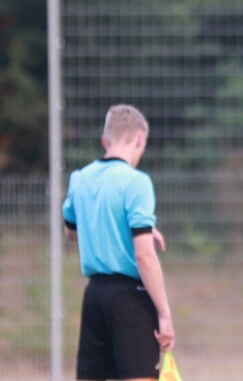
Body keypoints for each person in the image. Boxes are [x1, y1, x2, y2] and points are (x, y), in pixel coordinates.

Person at [62, 104, 175, 380]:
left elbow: (71, 231)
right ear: (139, 139)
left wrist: (136, 230)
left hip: (95, 297)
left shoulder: (80, 179)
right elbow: (144, 255)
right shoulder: (136, 182)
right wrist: (164, 313)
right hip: (129, 299)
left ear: (105, 141)